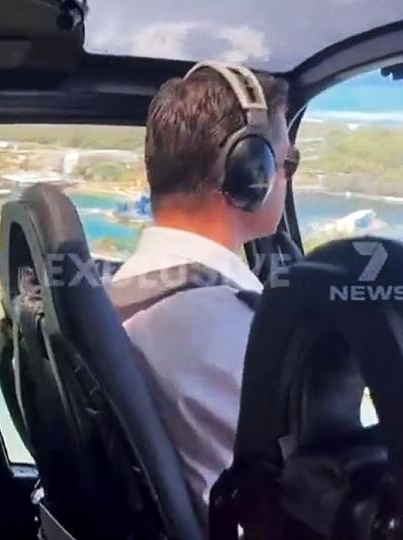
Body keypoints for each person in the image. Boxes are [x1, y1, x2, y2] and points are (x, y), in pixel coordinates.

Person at [108, 62, 295, 511]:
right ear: (250, 171)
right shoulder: (222, 326)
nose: (287, 176)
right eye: (288, 161)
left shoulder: (128, 289)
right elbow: (300, 494)